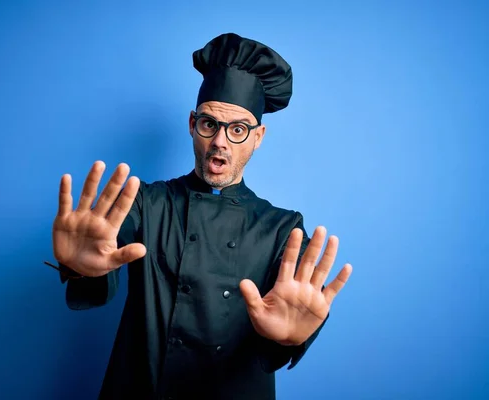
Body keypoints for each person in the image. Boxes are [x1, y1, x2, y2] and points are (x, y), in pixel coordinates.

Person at [47, 32, 353, 400]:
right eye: (210, 124)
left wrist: (293, 336)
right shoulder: (146, 202)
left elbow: (294, 312)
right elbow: (102, 254)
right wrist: (80, 267)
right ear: (192, 124)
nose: (220, 142)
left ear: (259, 137)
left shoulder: (282, 229)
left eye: (238, 130)